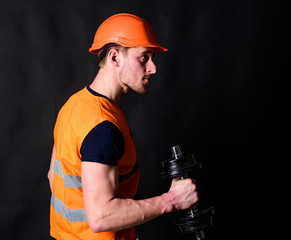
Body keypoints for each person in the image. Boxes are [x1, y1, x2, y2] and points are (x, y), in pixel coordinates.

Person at [47, 13, 198, 240]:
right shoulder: (102, 126)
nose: (153, 68)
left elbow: (53, 177)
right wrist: (172, 200)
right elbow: (100, 217)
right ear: (115, 58)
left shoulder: (73, 105)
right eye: (144, 57)